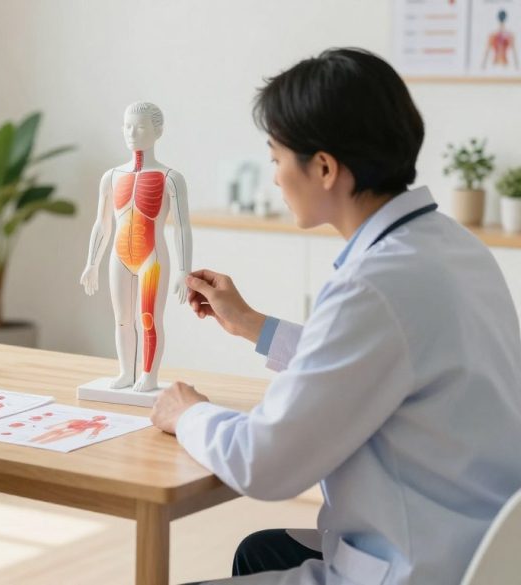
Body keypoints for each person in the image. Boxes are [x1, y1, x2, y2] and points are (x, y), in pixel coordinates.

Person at [151, 48, 521, 584]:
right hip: (484, 548)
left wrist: (188, 413)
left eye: (277, 157)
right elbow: (381, 362)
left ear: (323, 168)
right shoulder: (452, 247)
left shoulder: (373, 285)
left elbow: (263, 462)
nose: (275, 177)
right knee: (261, 551)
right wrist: (254, 324)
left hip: (418, 566)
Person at [80, 101, 192, 392]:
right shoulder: (111, 176)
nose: (132, 132)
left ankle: (148, 375)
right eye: (128, 126)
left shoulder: (171, 179)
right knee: (121, 320)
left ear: (158, 131)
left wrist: (184, 269)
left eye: (141, 126)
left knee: (149, 319)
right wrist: (92, 262)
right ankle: (125, 373)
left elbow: (182, 226)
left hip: (151, 258)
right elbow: (102, 224)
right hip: (119, 256)